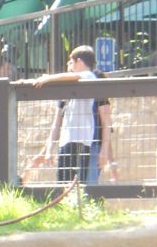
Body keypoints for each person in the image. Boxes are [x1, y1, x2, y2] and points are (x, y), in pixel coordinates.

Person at [25, 44, 113, 184]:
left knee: (86, 186)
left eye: (71, 62)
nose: (69, 66)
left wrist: (49, 78)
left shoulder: (90, 77)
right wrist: (49, 149)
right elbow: (57, 124)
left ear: (78, 61)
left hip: (87, 141)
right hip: (67, 141)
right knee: (63, 184)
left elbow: (106, 122)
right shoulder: (66, 89)